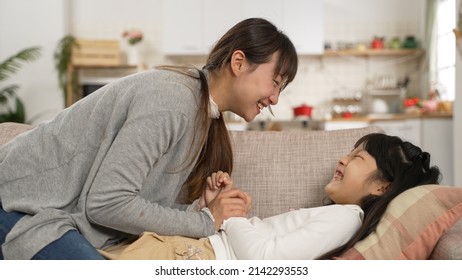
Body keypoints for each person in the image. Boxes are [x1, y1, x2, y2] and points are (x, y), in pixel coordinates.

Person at [0, 18, 298, 260]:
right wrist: (206, 221)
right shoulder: (173, 99)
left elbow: (135, 201)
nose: (274, 99)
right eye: (275, 82)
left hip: (53, 215)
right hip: (20, 206)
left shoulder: (200, 111)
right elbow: (106, 204)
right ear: (239, 62)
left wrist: (198, 209)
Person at [98, 133, 441, 260]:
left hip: (193, 258)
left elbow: (262, 261)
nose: (342, 159)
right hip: (190, 248)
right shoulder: (336, 215)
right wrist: (211, 207)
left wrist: (230, 218)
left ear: (381, 187)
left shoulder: (346, 217)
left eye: (357, 158)